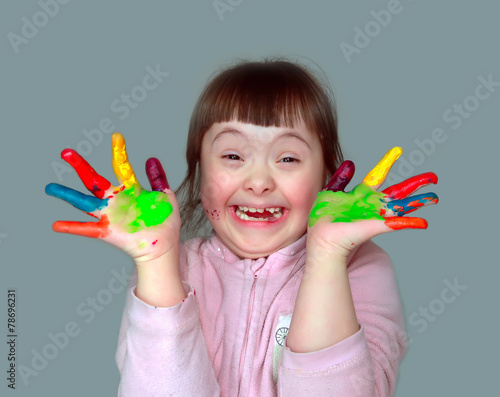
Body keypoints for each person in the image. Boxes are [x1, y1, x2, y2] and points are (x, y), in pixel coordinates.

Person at [45, 58, 439, 396]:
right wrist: (156, 261)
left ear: (326, 176)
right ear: (199, 173)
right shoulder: (174, 269)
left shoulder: (361, 268)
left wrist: (328, 257)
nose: (259, 181)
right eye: (233, 155)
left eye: (287, 159)